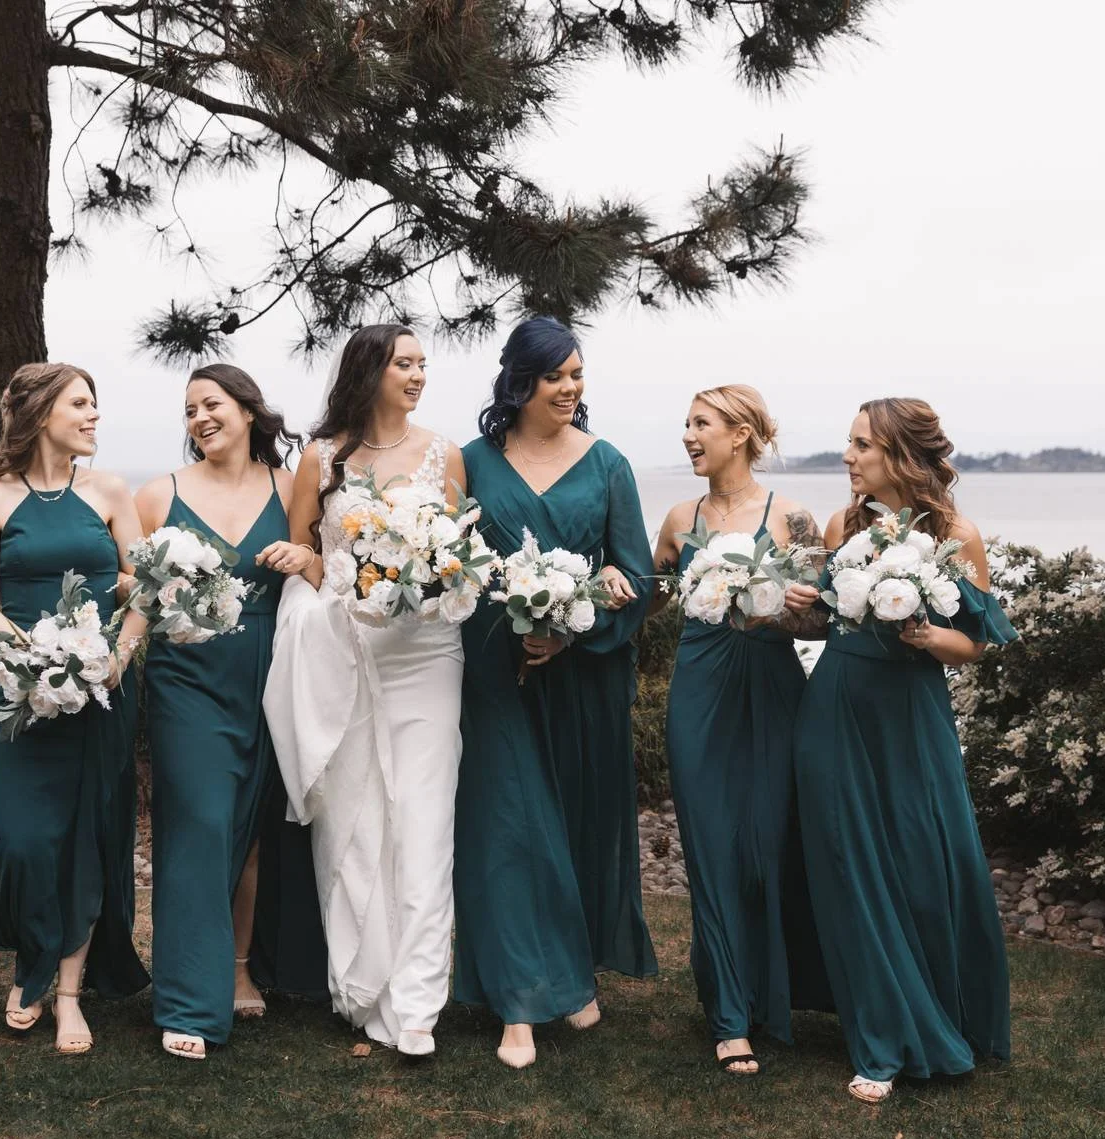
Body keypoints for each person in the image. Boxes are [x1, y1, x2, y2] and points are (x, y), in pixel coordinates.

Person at [795, 397, 1017, 1103]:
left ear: (899, 454)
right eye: (850, 442)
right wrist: (801, 604)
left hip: (910, 714)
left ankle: (944, 1010)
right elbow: (827, 621)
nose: (849, 456)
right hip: (837, 705)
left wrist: (924, 635)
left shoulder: (956, 536)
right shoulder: (843, 527)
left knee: (924, 858)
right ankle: (881, 1033)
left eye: (862, 444)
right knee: (848, 863)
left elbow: (974, 645)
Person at [453, 315, 656, 1069]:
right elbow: (451, 565)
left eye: (576, 375)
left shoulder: (608, 464)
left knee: (574, 825)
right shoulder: (472, 462)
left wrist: (573, 627)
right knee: (508, 828)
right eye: (555, 376)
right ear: (520, 382)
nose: (570, 388)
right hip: (493, 673)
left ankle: (571, 974)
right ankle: (518, 1004)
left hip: (583, 674)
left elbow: (635, 577)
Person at [260, 324, 465, 1056]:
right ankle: (364, 983)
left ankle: (417, 1004)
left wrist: (428, 572)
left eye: (422, 363)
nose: (418, 374)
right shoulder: (320, 459)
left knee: (424, 820)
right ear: (370, 370)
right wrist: (308, 567)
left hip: (427, 652)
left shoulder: (445, 455)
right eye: (404, 363)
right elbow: (310, 559)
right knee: (355, 822)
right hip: (344, 651)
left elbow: (459, 559)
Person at [0, 362, 150, 1054]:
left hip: (102, 692)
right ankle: (32, 958)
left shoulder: (110, 491)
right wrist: (32, 654)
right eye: (81, 403)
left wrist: (117, 656)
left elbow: (145, 587)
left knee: (88, 840)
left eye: (94, 403)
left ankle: (66, 994)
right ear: (42, 414)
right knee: (27, 840)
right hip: (20, 694)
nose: (94, 415)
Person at [649, 384, 833, 1076]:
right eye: (686, 424)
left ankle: (772, 990)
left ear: (741, 434)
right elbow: (649, 599)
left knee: (767, 846)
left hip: (773, 689)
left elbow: (821, 621)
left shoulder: (794, 518)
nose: (688, 436)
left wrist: (783, 608)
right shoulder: (679, 518)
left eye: (701, 424)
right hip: (700, 692)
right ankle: (728, 1017)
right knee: (710, 850)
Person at [132, 364, 307, 1060]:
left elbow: (328, 568)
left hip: (273, 673)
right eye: (190, 410)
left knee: (252, 832)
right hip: (188, 677)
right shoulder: (159, 495)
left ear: (247, 410)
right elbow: (129, 583)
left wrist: (304, 555)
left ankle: (236, 970)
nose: (200, 418)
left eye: (212, 404)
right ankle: (186, 1004)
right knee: (198, 825)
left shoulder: (291, 488)